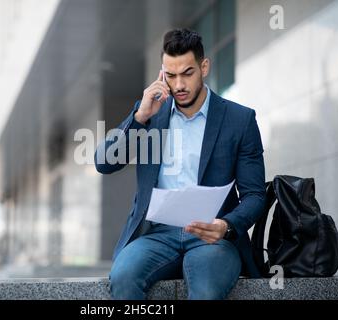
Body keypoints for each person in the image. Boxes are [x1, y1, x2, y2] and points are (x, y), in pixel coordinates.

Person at [94, 28, 266, 300]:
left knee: (206, 292)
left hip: (212, 237)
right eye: (171, 76)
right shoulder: (151, 112)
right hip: (156, 235)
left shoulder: (239, 120)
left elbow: (255, 195)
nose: (179, 85)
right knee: (123, 278)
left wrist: (226, 225)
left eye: (187, 73)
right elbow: (104, 163)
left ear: (204, 67)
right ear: (162, 74)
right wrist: (139, 117)